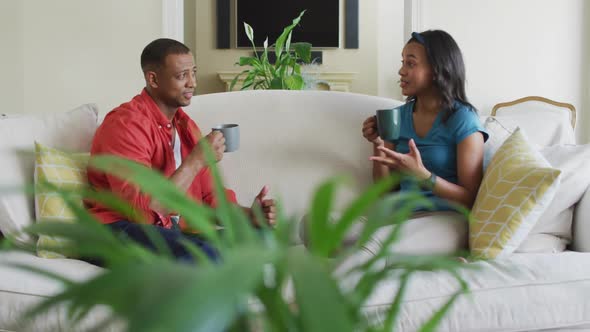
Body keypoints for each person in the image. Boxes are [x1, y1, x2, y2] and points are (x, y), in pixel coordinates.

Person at [86, 38, 276, 263]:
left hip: (172, 234)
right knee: (206, 254)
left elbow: (210, 197)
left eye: (193, 73)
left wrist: (250, 216)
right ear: (153, 79)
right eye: (181, 75)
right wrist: (196, 161)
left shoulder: (186, 126)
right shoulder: (126, 125)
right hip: (118, 231)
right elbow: (143, 214)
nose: (192, 83)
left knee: (263, 240)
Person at [362, 30, 488, 211]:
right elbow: (385, 192)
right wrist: (378, 142)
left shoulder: (463, 119)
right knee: (313, 225)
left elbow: (471, 199)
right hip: (399, 217)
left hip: (444, 217)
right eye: (403, 62)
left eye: (411, 63)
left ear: (437, 70)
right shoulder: (396, 117)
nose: (401, 71)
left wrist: (423, 175)